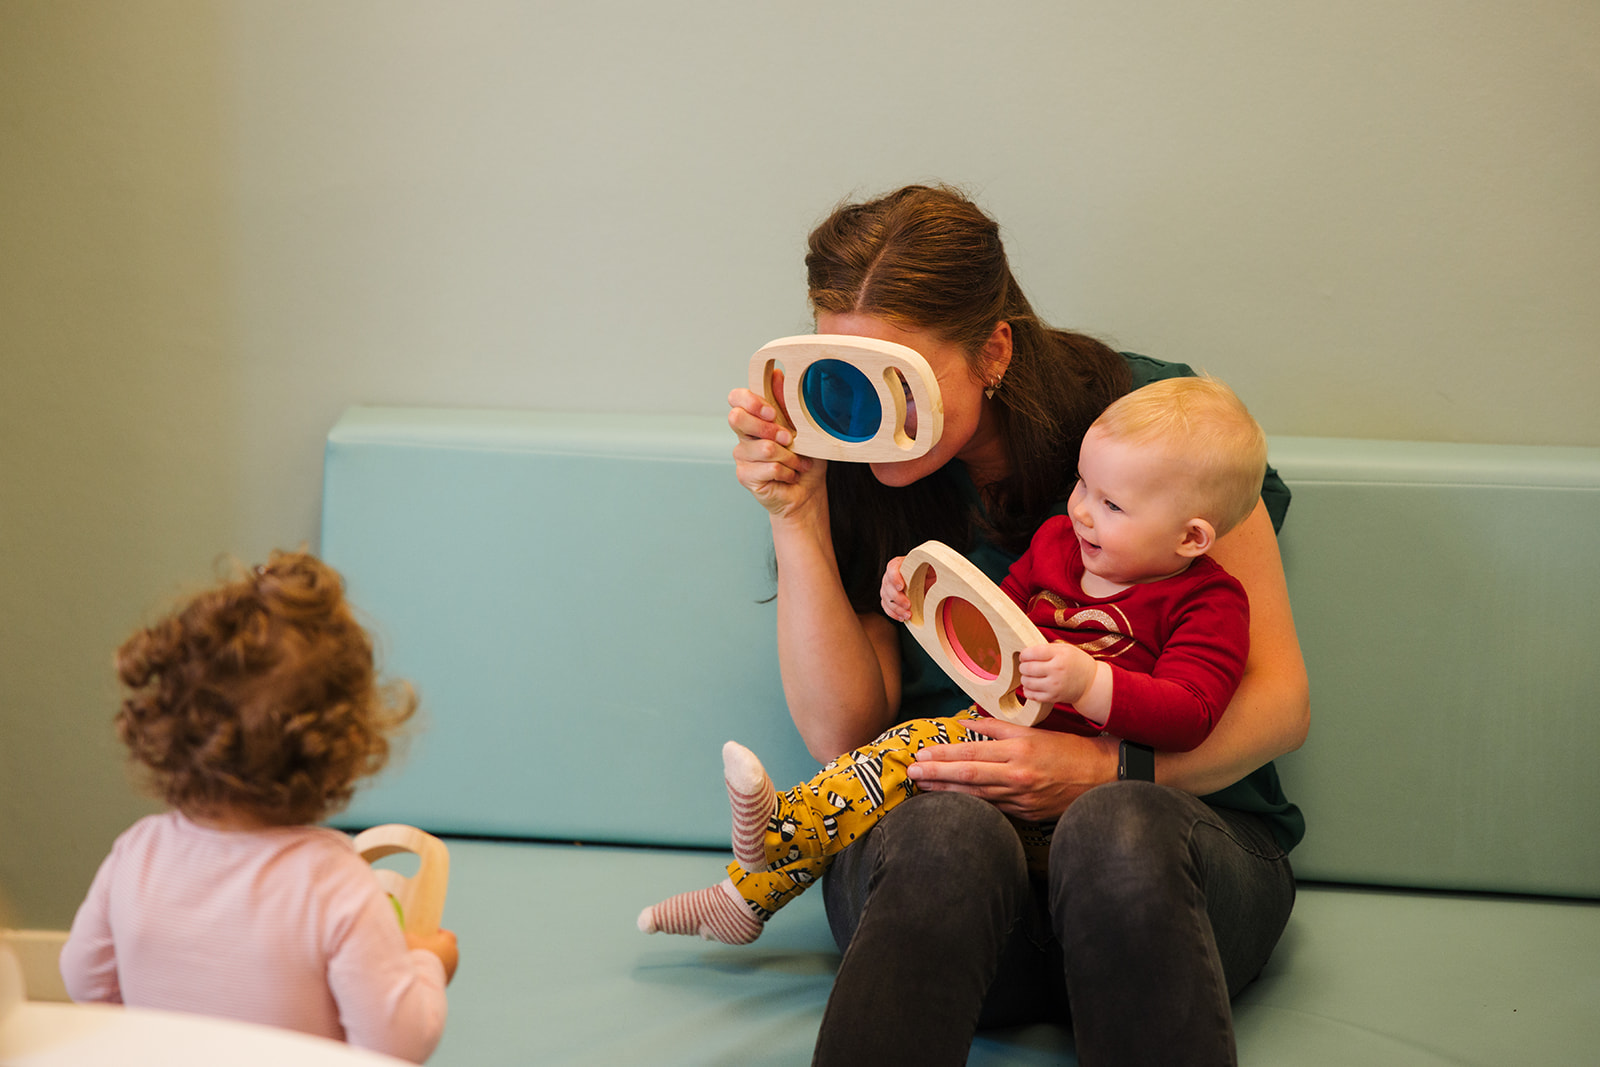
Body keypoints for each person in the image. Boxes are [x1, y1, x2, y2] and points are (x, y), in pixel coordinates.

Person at [721, 185, 1308, 1067]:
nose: (866, 414)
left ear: (992, 350)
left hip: (1170, 870)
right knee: (943, 834)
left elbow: (1280, 704)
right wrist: (795, 513)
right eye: (844, 372)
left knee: (1116, 825)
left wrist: (1101, 769)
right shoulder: (843, 454)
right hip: (950, 881)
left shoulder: (1158, 428)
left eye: (899, 381)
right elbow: (842, 731)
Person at [640, 376, 1266, 944]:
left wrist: (1089, 683)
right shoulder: (1059, 543)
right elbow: (993, 617)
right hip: (996, 749)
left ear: (1191, 537)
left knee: (912, 753)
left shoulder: (1210, 602)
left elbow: (1191, 713)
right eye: (1082, 485)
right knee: (892, 775)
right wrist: (911, 597)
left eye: (1112, 506)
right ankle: (748, 894)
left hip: (1087, 800)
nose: (1080, 510)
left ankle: (781, 833)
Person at [59, 550, 458, 1064]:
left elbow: (84, 983)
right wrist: (427, 965)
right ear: (344, 747)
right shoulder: (336, 883)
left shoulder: (139, 851)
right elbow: (395, 1046)